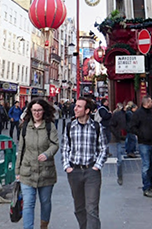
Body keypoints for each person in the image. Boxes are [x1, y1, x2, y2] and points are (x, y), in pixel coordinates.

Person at [60, 97, 106, 229]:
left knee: (91, 208)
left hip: (91, 171)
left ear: (87, 110)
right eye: (76, 106)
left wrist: (97, 166)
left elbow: (103, 148)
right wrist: (67, 167)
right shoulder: (70, 126)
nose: (75, 108)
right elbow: (65, 148)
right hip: (74, 172)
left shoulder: (96, 127)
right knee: (79, 208)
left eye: (79, 106)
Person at [16, 99, 59, 229]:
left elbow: (55, 144)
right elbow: (21, 149)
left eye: (39, 110)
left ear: (44, 110)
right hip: (27, 171)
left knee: (45, 202)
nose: (37, 113)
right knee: (28, 203)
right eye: (34, 110)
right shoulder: (24, 127)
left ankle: (44, 226)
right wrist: (17, 171)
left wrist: (47, 154)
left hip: (46, 171)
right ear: (30, 111)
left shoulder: (49, 126)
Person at [128, 96, 152, 197]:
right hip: (144, 143)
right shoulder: (138, 114)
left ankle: (150, 185)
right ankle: (146, 187)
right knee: (146, 165)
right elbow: (132, 127)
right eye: (151, 101)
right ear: (146, 103)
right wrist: (141, 134)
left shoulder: (151, 113)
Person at [108, 103, 126, 186]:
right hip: (121, 139)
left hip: (130, 138)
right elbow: (112, 125)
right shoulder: (118, 114)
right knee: (120, 160)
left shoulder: (131, 114)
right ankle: (120, 176)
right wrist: (117, 134)